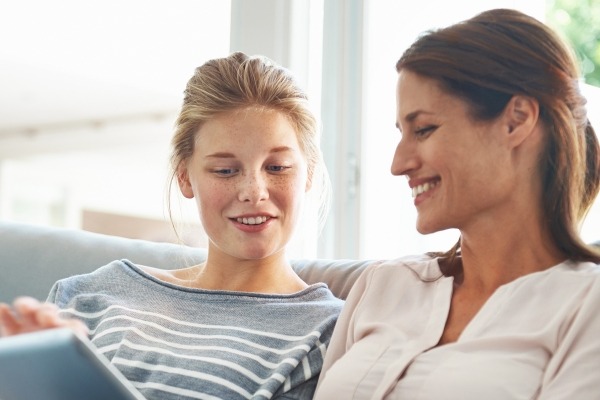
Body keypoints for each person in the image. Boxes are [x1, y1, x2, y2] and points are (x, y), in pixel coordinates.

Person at [0, 52, 343, 400]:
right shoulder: (88, 297)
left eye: (278, 167)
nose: (254, 192)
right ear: (185, 176)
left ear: (309, 173)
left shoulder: (328, 331)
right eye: (225, 170)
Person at [315, 8, 600, 399]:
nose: (398, 164)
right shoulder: (384, 285)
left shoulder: (586, 306)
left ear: (516, 121)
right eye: (402, 133)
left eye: (424, 129)